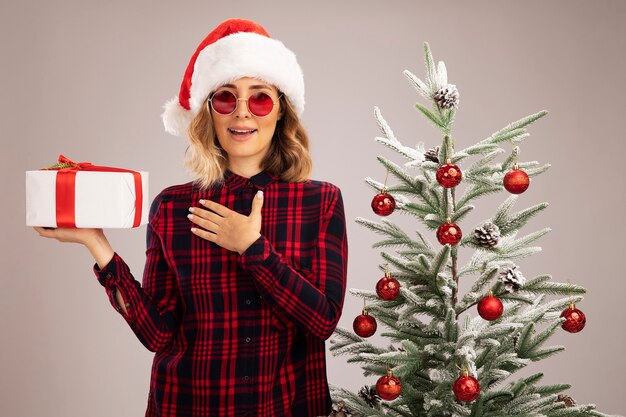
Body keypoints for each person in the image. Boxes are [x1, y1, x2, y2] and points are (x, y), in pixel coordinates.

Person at [33, 18, 348, 417]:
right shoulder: (172, 208)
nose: (242, 113)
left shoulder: (320, 202)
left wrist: (253, 249)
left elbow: (322, 321)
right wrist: (98, 245)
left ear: (281, 111)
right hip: (189, 405)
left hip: (285, 405)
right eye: (225, 98)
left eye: (260, 98)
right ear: (209, 113)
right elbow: (158, 334)